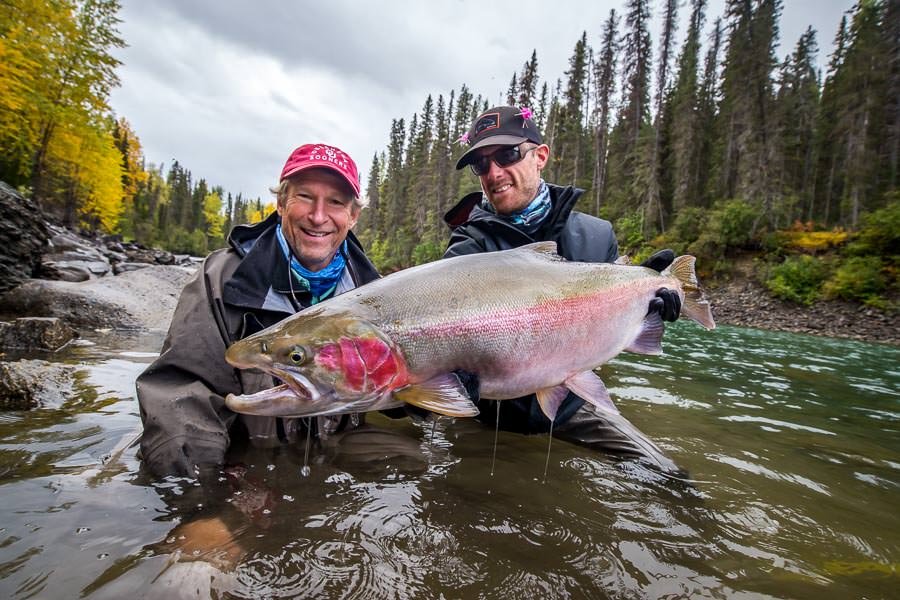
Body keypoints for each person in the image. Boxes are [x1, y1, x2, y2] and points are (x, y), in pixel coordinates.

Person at [444, 105, 683, 473]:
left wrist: (649, 306)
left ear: (540, 156)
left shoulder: (596, 235)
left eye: (507, 155)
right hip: (488, 413)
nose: (494, 172)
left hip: (572, 402)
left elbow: (613, 327)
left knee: (667, 474)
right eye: (481, 164)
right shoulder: (466, 248)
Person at [136, 143, 380, 478]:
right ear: (281, 203)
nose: (319, 216)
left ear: (353, 216)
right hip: (245, 454)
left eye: (336, 202)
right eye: (305, 197)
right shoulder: (221, 279)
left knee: (409, 462)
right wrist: (199, 500)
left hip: (339, 444)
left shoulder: (372, 290)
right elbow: (181, 392)